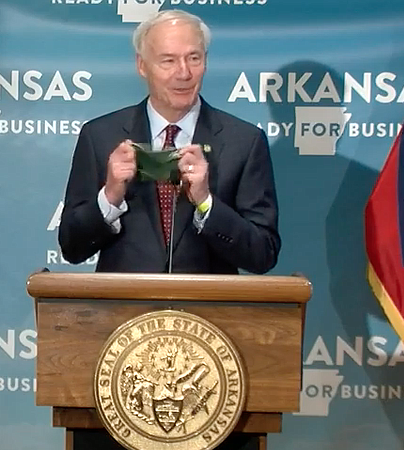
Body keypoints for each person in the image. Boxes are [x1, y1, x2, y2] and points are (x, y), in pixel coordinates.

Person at [58, 9, 280, 274]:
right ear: (142, 65)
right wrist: (110, 196)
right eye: (168, 61)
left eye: (193, 58)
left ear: (205, 61)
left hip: (207, 311)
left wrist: (206, 202)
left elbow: (263, 254)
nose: (184, 73)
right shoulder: (100, 136)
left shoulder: (243, 142)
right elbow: (72, 247)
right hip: (125, 310)